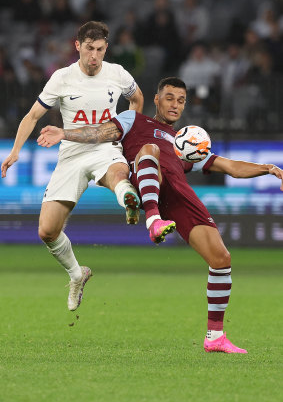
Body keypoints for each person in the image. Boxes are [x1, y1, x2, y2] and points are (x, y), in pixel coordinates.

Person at [37, 77, 283, 354]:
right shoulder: (134, 120)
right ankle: (153, 219)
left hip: (178, 195)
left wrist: (268, 168)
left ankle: (215, 336)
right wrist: (65, 133)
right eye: (169, 98)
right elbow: (100, 133)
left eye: (180, 100)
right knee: (149, 150)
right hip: (145, 182)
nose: (175, 105)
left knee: (221, 258)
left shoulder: (183, 142)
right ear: (156, 99)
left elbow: (229, 166)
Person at [1, 21, 144, 312]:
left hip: (106, 147)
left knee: (117, 173)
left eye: (100, 49)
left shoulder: (117, 73)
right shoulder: (62, 78)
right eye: (89, 49)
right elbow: (32, 116)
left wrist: (126, 131)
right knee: (47, 231)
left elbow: (137, 99)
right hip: (72, 154)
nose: (94, 56)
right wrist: (15, 151)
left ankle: (128, 196)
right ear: (77, 46)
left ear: (106, 49)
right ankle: (77, 274)